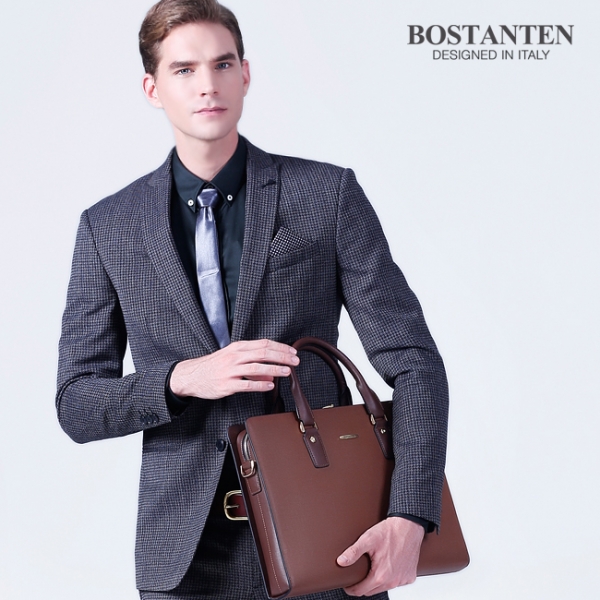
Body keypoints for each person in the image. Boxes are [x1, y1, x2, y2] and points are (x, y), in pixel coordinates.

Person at [56, 1, 449, 598]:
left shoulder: (326, 193)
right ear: (152, 88)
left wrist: (411, 513)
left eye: (222, 64)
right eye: (183, 69)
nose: (207, 85)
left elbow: (415, 361)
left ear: (245, 74)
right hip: (186, 560)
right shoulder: (109, 227)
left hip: (326, 535)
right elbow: (78, 404)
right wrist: (182, 378)